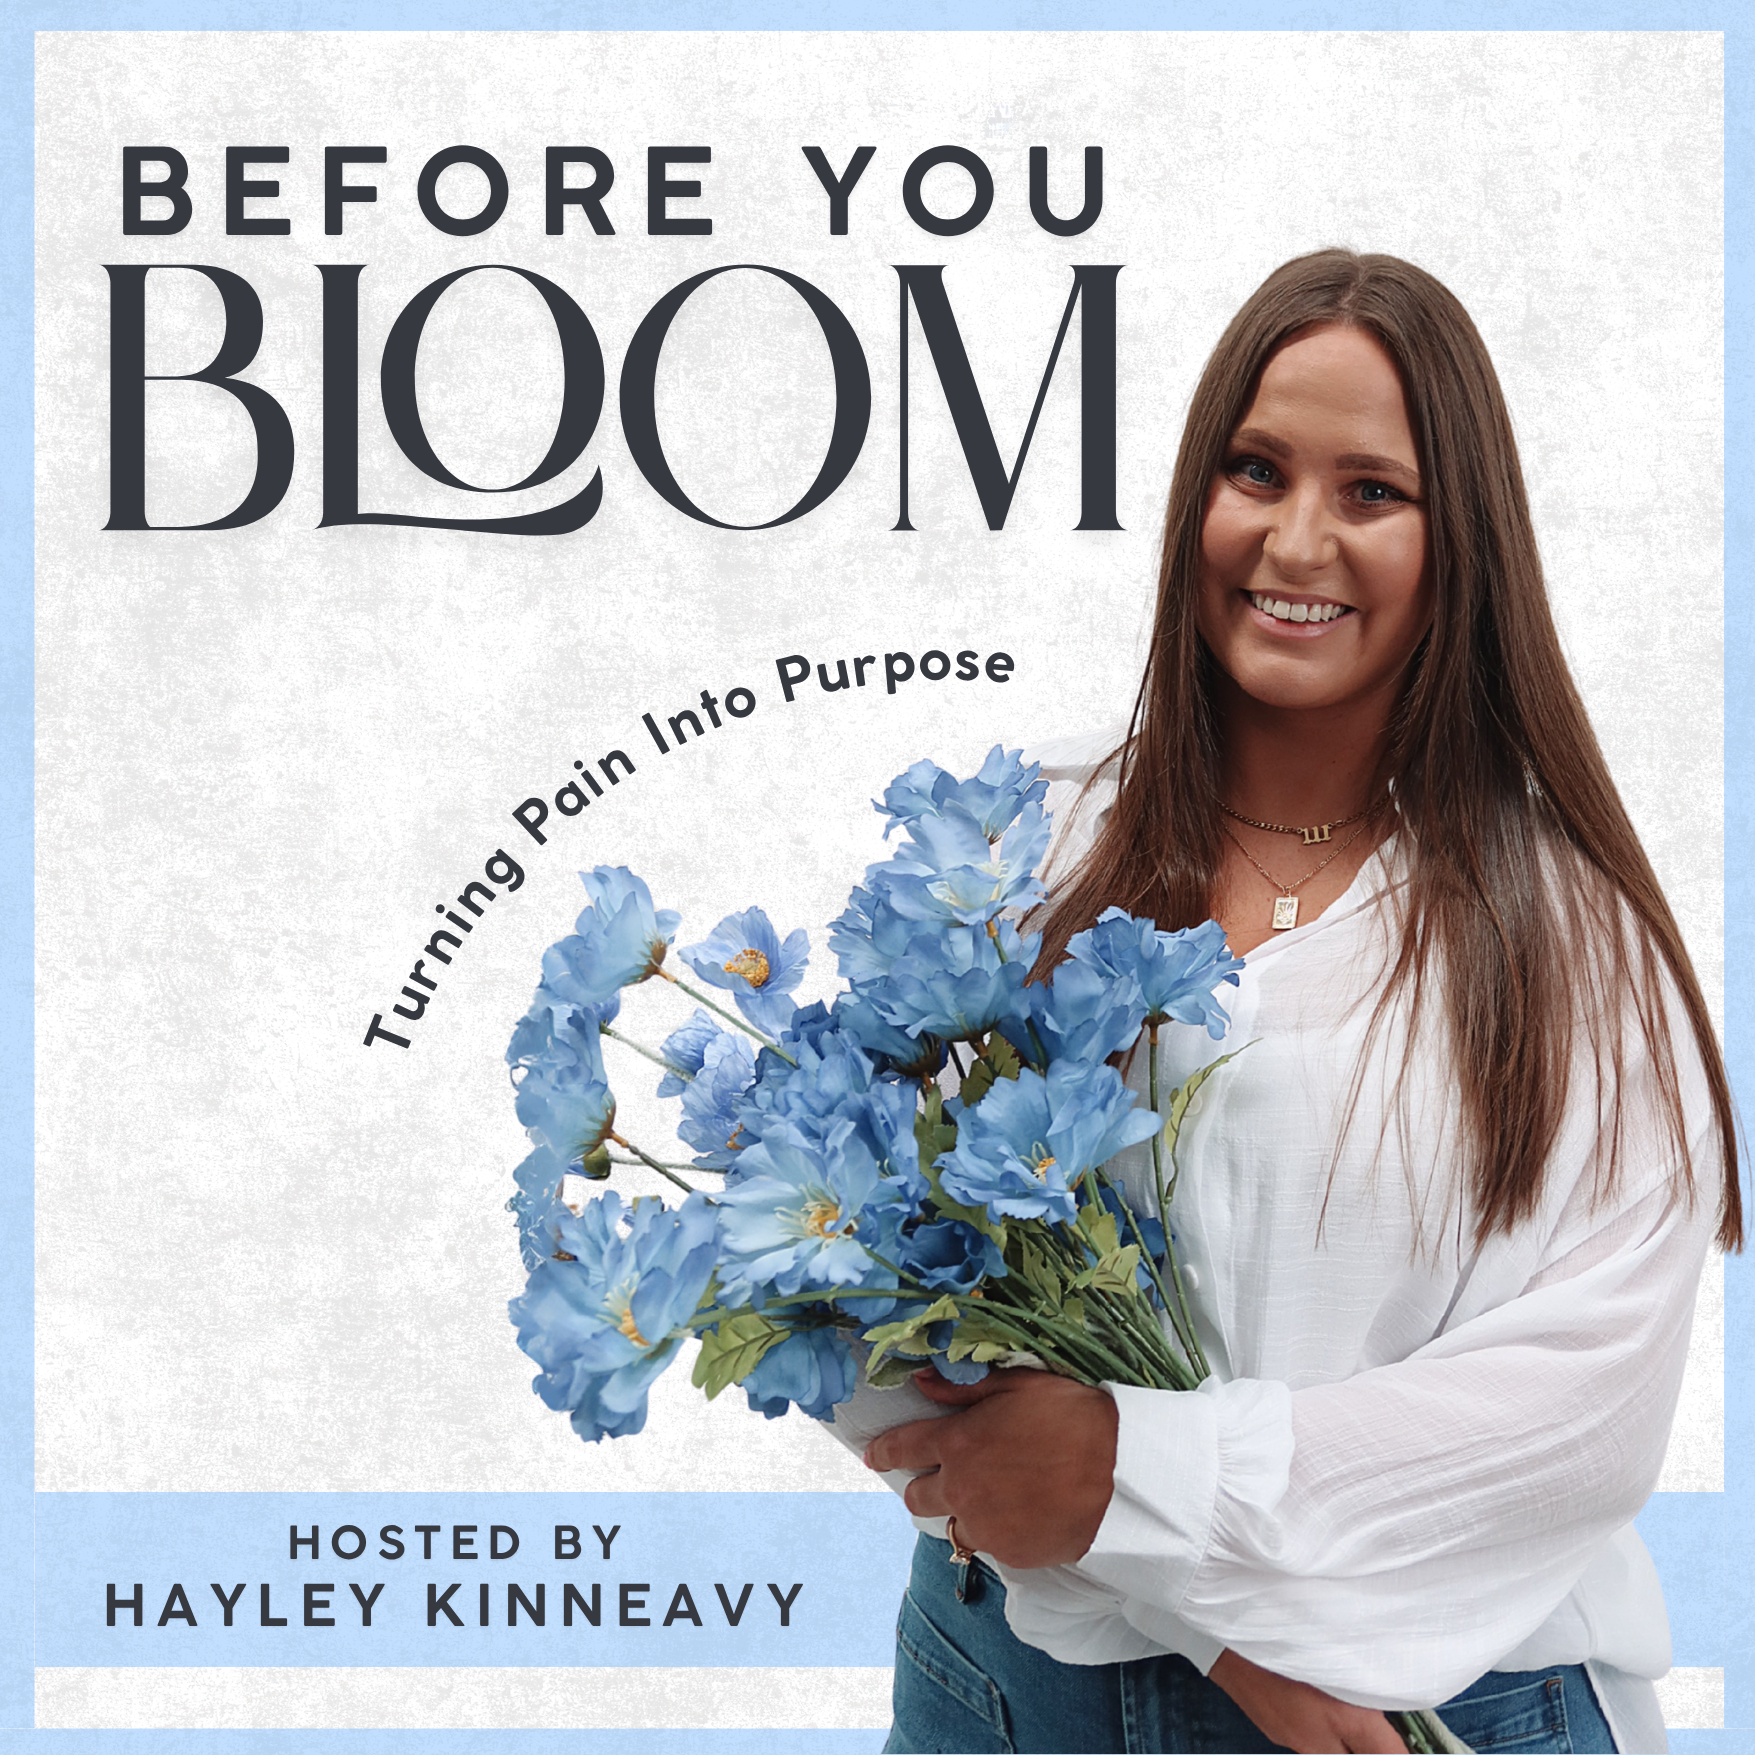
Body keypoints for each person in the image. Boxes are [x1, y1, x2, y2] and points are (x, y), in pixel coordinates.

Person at [859, 249, 1741, 1755]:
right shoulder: (1024, 850)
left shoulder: (1573, 949)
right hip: (1008, 1684)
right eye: (1255, 470)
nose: (1296, 539)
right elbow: (852, 1289)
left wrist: (1133, 1481)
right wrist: (1216, 1626)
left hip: (1436, 1703)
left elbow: (1569, 1426)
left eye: (1371, 491)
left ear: (1462, 544)